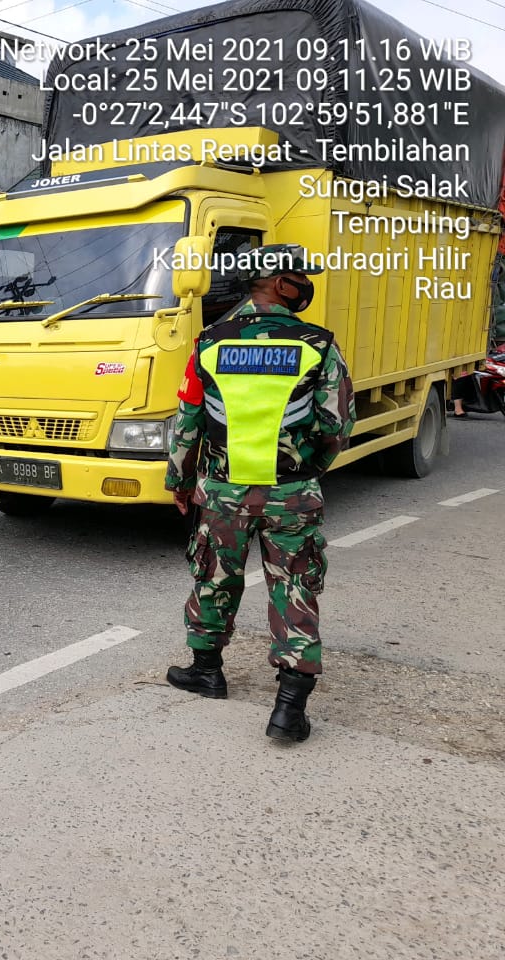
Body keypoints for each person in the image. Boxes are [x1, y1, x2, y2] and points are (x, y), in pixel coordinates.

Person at [164, 244, 355, 743]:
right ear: (278, 283)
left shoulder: (210, 343)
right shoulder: (318, 344)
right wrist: (308, 469)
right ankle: (289, 709)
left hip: (223, 491)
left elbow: (187, 421)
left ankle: (205, 671)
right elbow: (337, 425)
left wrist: (181, 481)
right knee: (294, 585)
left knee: (213, 574)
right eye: (299, 276)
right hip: (290, 492)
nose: (305, 284)